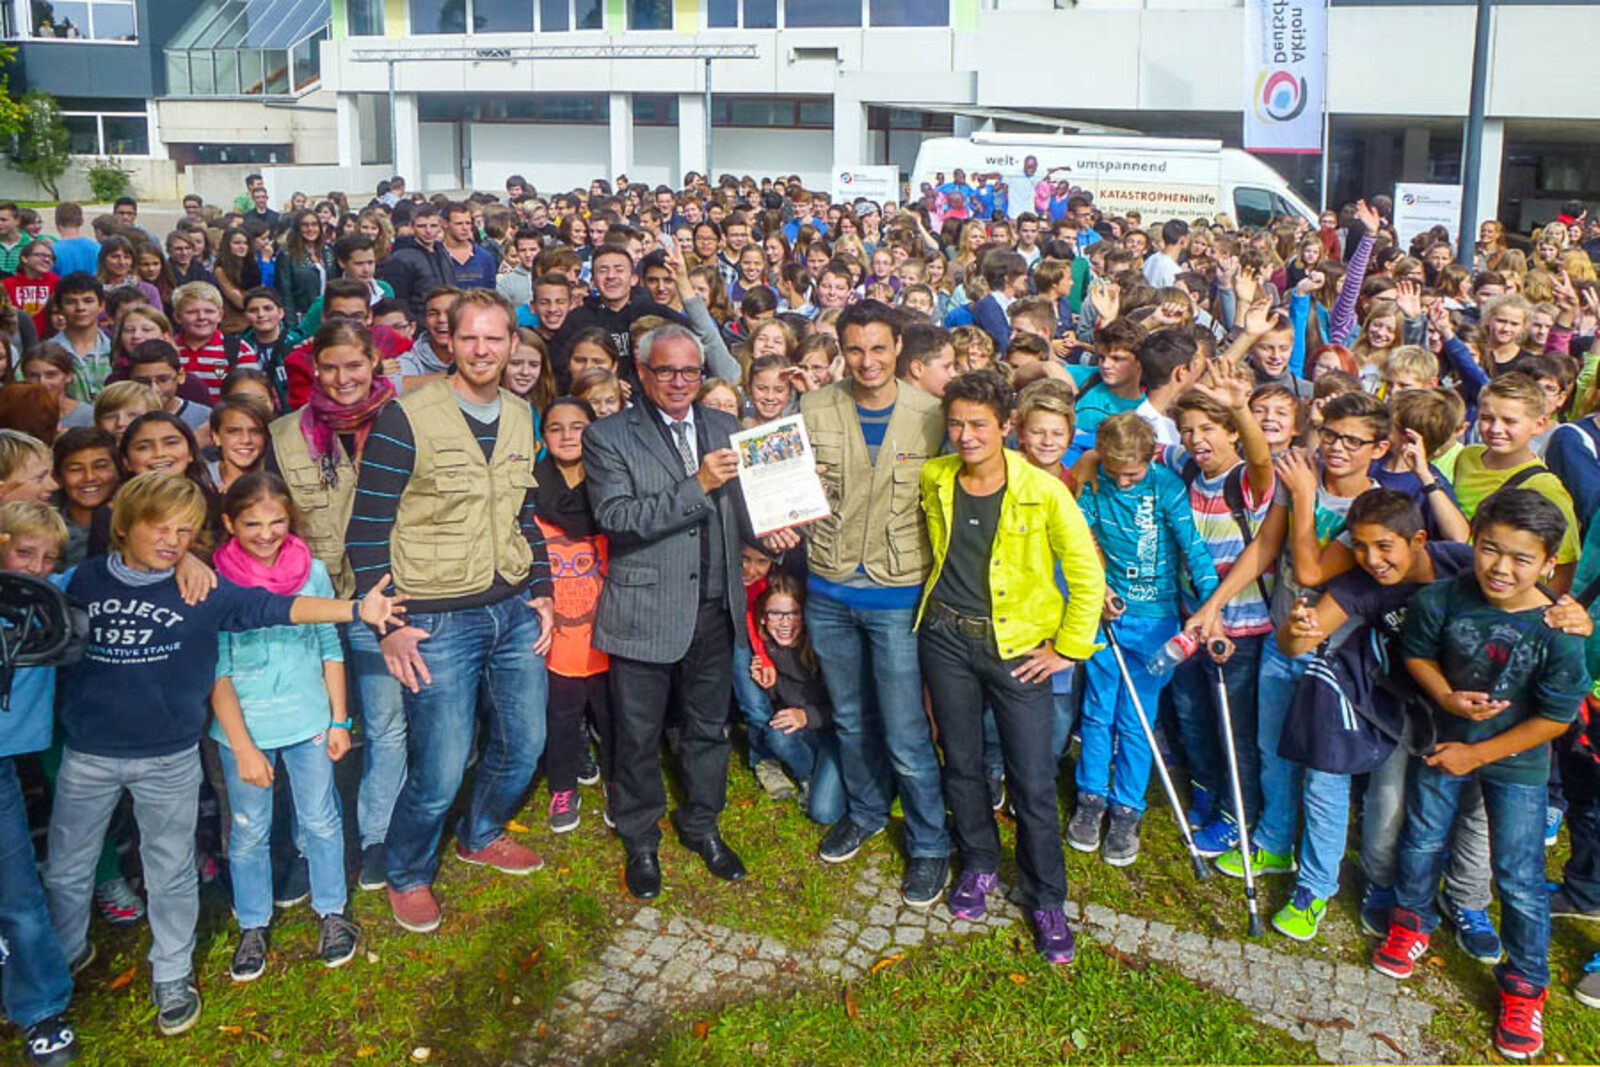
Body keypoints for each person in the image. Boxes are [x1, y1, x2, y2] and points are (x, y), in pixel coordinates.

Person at [43, 471, 403, 1038]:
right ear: (126, 526)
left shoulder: (203, 587)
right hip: (91, 752)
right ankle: (51, 981)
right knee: (67, 870)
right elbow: (31, 578)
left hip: (174, 753)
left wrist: (356, 610)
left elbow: (277, 610)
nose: (171, 541)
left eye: (185, 532)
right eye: (160, 529)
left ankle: (175, 973)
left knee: (174, 869)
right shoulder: (84, 581)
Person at [345, 290, 554, 935]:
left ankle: (481, 831)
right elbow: (366, 530)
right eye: (471, 339)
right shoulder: (406, 417)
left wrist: (542, 589)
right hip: (433, 620)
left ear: (514, 345)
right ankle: (408, 870)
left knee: (525, 744)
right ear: (449, 342)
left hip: (513, 607)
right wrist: (388, 625)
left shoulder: (522, 414)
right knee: (439, 768)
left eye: (496, 339)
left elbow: (523, 512)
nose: (484, 350)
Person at [1374, 489, 1593, 1061]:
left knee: (1519, 875)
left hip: (1518, 766)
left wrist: (1480, 754)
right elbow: (1416, 654)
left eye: (1522, 559)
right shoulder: (1441, 599)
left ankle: (1524, 986)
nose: (1501, 567)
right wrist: (1444, 693)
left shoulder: (1559, 631)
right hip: (1443, 744)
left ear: (1549, 563)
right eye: (1490, 549)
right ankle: (1411, 921)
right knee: (1421, 838)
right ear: (1474, 542)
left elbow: (1555, 719)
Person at [767, 300, 953, 909]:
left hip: (898, 593)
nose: (867, 361)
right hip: (828, 588)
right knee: (849, 717)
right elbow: (787, 489)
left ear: (899, 347)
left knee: (904, 729)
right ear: (840, 351)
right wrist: (787, 510)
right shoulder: (815, 406)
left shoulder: (932, 415)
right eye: (854, 350)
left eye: (878, 348)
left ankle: (929, 845)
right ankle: (870, 810)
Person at [917, 368, 1103, 963]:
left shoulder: (1044, 490)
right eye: (956, 424)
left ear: (1006, 427)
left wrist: (1068, 649)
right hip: (947, 638)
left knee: (1032, 780)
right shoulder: (936, 476)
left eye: (978, 424)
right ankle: (977, 863)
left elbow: (1086, 574)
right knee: (963, 763)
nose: (966, 436)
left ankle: (1047, 897)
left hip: (1019, 650)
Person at [583, 323, 752, 901]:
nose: (679, 382)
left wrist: (775, 527)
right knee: (636, 734)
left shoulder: (725, 425)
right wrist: (696, 483)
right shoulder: (607, 436)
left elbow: (740, 509)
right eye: (666, 371)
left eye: (690, 371)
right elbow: (618, 518)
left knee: (708, 728)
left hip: (714, 604)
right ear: (641, 373)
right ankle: (640, 837)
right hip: (646, 608)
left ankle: (702, 823)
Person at [265, 320, 402, 892]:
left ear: (373, 363)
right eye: (331, 367)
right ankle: (308, 843)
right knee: (313, 726)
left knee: (387, 721)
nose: (343, 379)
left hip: (383, 590)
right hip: (313, 597)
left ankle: (378, 835)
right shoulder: (283, 433)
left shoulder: (402, 421)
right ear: (313, 370)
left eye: (354, 366)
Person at [209, 473, 362, 982]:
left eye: (277, 521)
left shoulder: (312, 571)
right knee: (249, 830)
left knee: (320, 818)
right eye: (252, 523)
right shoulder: (215, 580)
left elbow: (329, 648)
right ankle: (252, 921)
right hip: (244, 729)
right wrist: (242, 746)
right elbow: (218, 670)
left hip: (309, 719)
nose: (267, 533)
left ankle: (332, 910)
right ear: (230, 523)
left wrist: (339, 719)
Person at [1069, 412, 1219, 866]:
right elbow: (1080, 542)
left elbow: (1194, 549)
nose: (1124, 481)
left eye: (1132, 473)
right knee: (1097, 712)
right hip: (1110, 618)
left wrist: (1212, 609)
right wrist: (1102, 590)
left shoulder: (1166, 487)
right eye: (1116, 473)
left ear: (1150, 458)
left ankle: (1127, 807)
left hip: (1156, 621)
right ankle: (1090, 797)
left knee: (1137, 719)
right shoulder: (1097, 486)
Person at [0, 501, 80, 1067]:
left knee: (19, 896)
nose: (35, 567)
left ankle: (42, 1009)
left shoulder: (51, 602)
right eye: (22, 552)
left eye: (47, 558)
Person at [533, 396, 611, 833]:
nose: (566, 436)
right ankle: (563, 785)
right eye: (556, 428)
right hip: (556, 631)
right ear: (543, 437)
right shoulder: (531, 491)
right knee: (561, 717)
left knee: (613, 715)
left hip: (607, 626)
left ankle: (620, 782)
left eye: (578, 426)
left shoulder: (609, 484)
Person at [376, 204, 455, 325]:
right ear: (412, 227)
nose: (428, 231)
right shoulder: (400, 258)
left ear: (440, 226)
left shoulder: (444, 253)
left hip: (446, 321)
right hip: (417, 326)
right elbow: (398, 301)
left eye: (433, 226)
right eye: (422, 226)